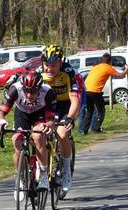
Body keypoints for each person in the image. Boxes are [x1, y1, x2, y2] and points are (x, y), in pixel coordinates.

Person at [0, 71, 57, 194]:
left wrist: (47, 126)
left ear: (39, 88)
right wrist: (0, 121)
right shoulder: (15, 89)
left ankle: (43, 175)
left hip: (40, 114)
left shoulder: (47, 92)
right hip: (22, 114)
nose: (29, 95)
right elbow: (1, 112)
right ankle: (21, 178)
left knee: (38, 137)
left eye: (33, 91)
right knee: (17, 141)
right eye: (26, 90)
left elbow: (50, 120)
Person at [40, 44, 81, 192]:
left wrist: (70, 117)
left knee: (62, 133)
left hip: (65, 105)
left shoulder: (69, 73)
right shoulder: (39, 73)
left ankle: (66, 170)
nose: (50, 69)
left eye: (54, 65)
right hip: (47, 105)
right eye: (47, 65)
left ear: (61, 63)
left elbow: (75, 100)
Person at [83, 53, 128, 134]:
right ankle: (95, 129)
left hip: (86, 90)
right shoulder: (107, 67)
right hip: (96, 91)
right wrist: (126, 69)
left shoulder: (96, 66)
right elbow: (121, 75)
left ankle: (84, 130)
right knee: (101, 111)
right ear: (109, 61)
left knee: (89, 111)